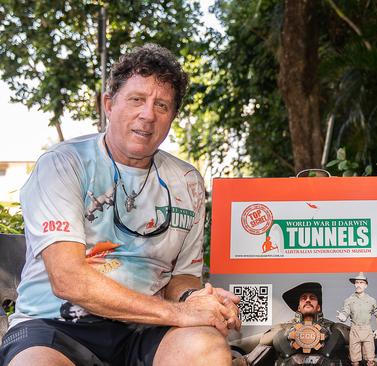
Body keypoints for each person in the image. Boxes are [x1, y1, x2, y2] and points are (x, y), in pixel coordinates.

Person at [0, 43, 241, 366]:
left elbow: (181, 279)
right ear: (109, 105)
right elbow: (68, 278)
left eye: (162, 105)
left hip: (144, 329)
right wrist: (178, 311)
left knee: (205, 348)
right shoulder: (63, 164)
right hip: (55, 326)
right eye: (137, 99)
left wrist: (194, 299)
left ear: (172, 117)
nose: (148, 115)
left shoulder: (188, 182)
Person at [234, 282, 348, 366]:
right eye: (304, 298)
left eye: (312, 298)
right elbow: (248, 361)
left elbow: (364, 355)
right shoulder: (279, 331)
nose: (308, 300)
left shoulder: (337, 330)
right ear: (298, 307)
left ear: (318, 307)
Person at [337, 273, 377, 366]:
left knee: (370, 359)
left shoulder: (371, 300)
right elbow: (346, 312)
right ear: (354, 284)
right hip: (355, 330)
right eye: (357, 282)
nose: (358, 284)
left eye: (361, 282)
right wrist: (343, 317)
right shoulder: (349, 300)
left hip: (367, 330)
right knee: (354, 360)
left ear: (365, 285)